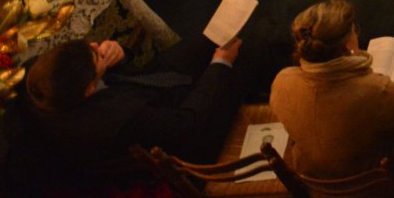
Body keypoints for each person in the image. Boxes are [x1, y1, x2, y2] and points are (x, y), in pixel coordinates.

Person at [24, 34, 241, 173]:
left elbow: (123, 75)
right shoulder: (118, 118)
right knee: (239, 63)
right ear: (89, 89)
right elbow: (187, 124)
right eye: (95, 54)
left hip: (147, 86)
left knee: (213, 38)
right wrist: (220, 64)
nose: (95, 44)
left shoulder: (44, 79)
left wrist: (119, 55)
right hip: (183, 127)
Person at [270, 0, 394, 178]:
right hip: (371, 185)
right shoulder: (377, 89)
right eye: (354, 30)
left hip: (313, 183)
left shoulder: (283, 81)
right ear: (348, 44)